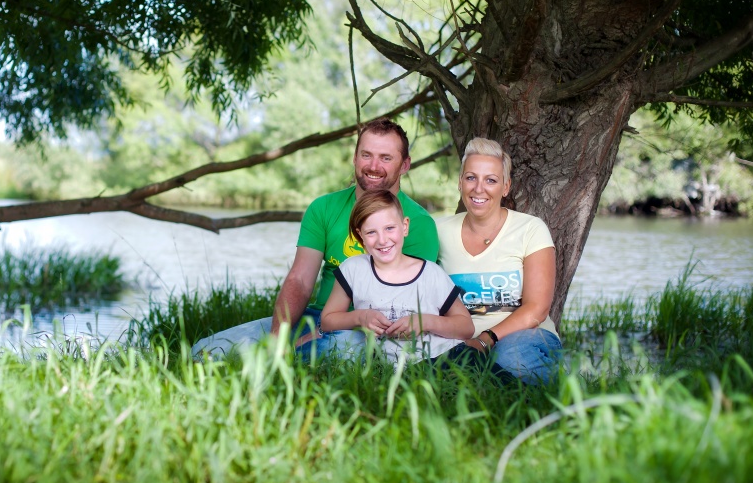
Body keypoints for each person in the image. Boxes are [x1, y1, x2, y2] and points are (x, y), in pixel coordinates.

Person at [192, 118, 439, 359]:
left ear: (405, 165)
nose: (373, 166)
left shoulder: (417, 223)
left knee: (327, 350)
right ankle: (281, 356)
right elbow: (300, 279)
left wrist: (321, 334)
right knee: (206, 351)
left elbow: (403, 304)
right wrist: (279, 337)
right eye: (366, 155)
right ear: (354, 158)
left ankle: (293, 361)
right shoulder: (323, 208)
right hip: (318, 318)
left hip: (376, 332)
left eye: (386, 158)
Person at [436, 137, 563, 383]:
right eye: (471, 177)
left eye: (491, 180)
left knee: (507, 360)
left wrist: (485, 339)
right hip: (457, 338)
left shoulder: (530, 229)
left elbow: (537, 308)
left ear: (505, 187)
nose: (479, 188)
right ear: (460, 182)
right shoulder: (437, 230)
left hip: (526, 337)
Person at [320, 189, 474, 363]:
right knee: (333, 346)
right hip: (389, 362)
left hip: (441, 356)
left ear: (405, 227)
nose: (382, 240)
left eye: (389, 228)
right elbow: (327, 320)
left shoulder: (431, 274)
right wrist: (360, 317)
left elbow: (466, 327)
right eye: (371, 232)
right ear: (360, 235)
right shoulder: (353, 269)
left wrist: (426, 322)